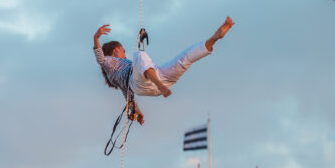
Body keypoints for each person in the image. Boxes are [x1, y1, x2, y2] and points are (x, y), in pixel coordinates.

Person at [93, 17, 234, 122]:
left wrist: (137, 112)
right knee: (138, 54)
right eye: (123, 50)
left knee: (185, 58)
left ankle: (215, 38)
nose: (124, 53)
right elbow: (100, 58)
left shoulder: (117, 76)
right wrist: (96, 37)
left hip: (155, 80)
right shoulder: (110, 63)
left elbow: (128, 96)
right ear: (116, 50)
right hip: (146, 84)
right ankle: (160, 85)